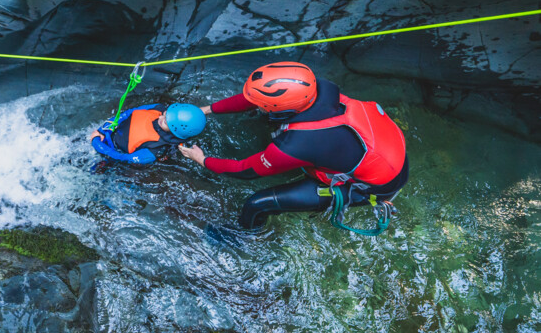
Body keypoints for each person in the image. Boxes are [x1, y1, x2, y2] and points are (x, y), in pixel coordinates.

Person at [179, 61, 408, 229]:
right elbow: (254, 99)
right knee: (266, 119)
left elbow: (245, 171)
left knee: (256, 203)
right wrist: (206, 110)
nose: (255, 105)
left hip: (375, 186)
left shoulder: (294, 145)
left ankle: (246, 240)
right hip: (383, 150)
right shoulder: (316, 88)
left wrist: (200, 158)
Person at [91, 103, 207, 164]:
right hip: (107, 135)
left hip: (111, 152)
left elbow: (123, 158)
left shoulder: (154, 150)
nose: (160, 117)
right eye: (165, 113)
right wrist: (104, 129)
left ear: (175, 131)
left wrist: (97, 144)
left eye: (165, 122)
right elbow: (129, 113)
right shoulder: (158, 108)